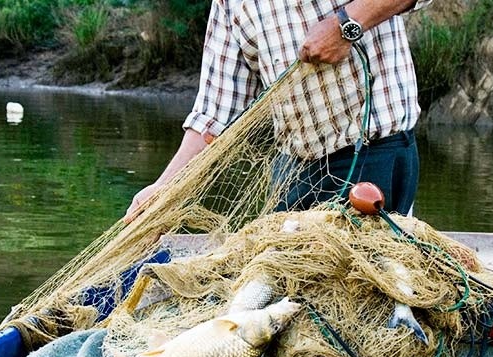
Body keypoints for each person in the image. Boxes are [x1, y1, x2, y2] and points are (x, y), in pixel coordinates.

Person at [124, 0, 432, 223]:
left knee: (358, 294)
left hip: (372, 155)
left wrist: (347, 24)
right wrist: (165, 191)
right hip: (294, 170)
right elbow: (213, 116)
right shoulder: (229, 5)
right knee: (282, 289)